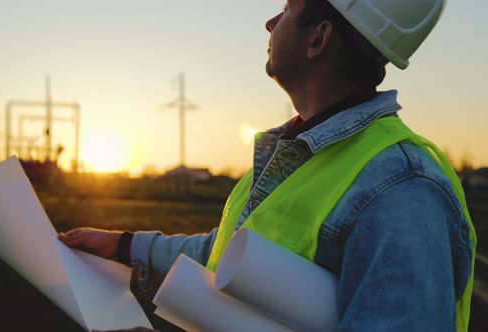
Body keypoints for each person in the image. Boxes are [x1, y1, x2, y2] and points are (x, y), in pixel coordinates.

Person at [60, 0, 476, 331]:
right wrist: (127, 245)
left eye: (288, 8)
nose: (270, 22)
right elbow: (228, 254)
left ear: (319, 38)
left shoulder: (402, 189)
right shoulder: (297, 153)